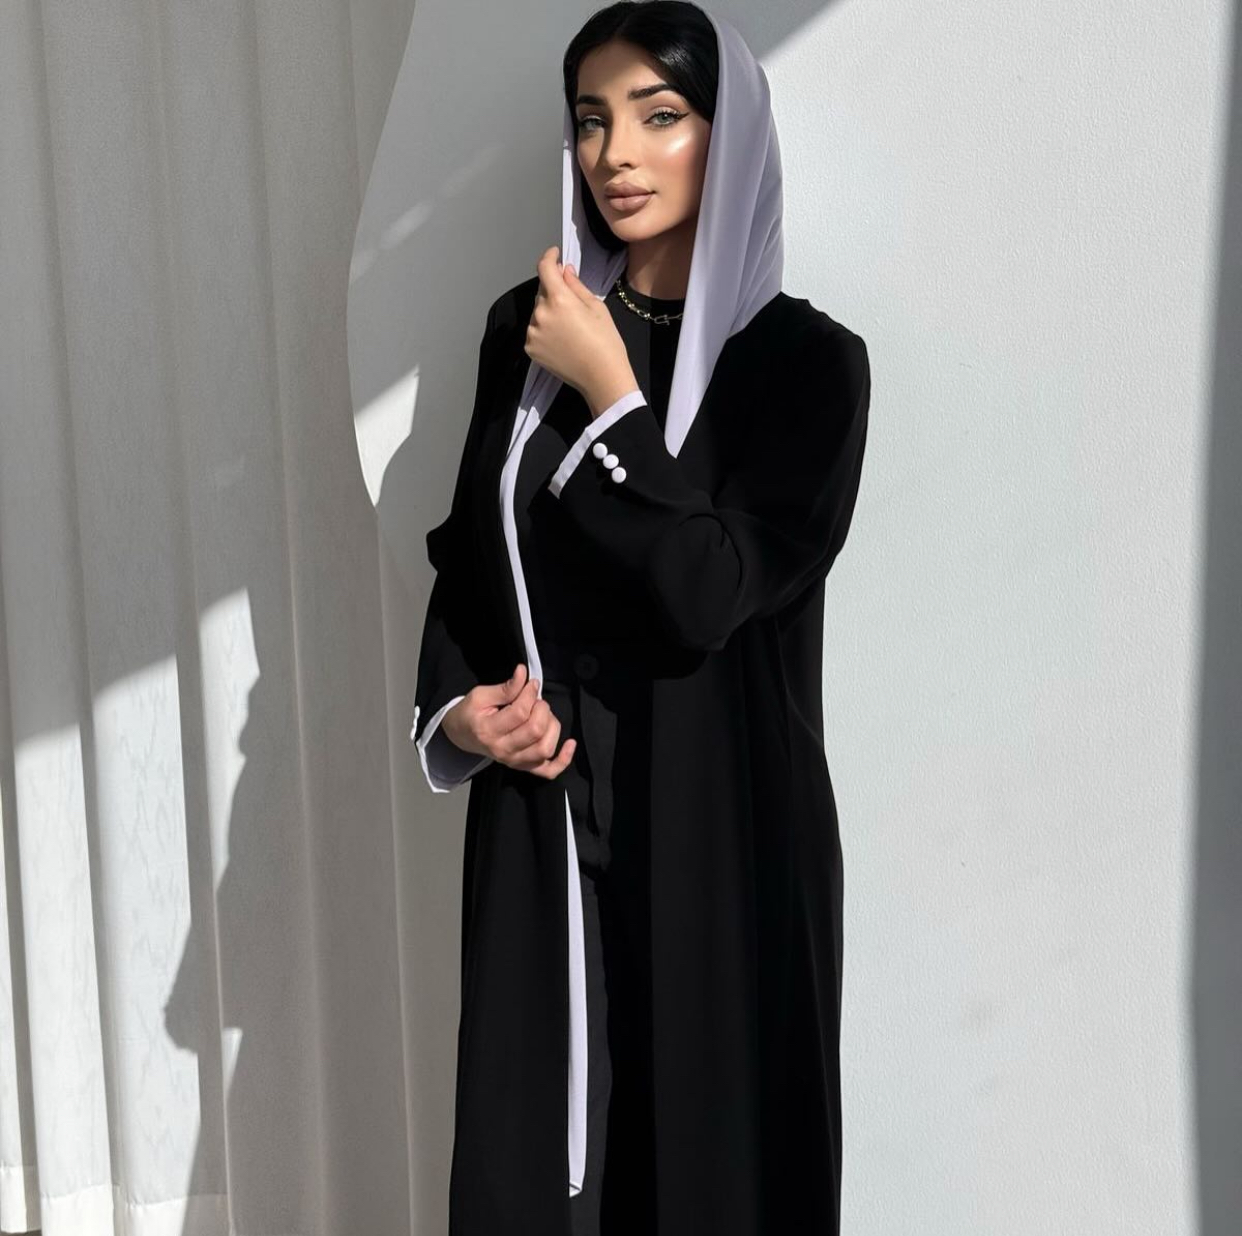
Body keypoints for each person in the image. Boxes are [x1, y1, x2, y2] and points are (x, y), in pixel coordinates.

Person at [408, 4, 871, 1233]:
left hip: (724, 832)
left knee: (712, 1176)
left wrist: (612, 398)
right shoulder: (526, 332)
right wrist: (461, 710)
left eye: (659, 116)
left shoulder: (806, 369)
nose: (616, 153)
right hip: (548, 822)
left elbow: (710, 591)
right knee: (535, 1174)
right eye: (592, 120)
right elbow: (471, 555)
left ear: (731, 138)